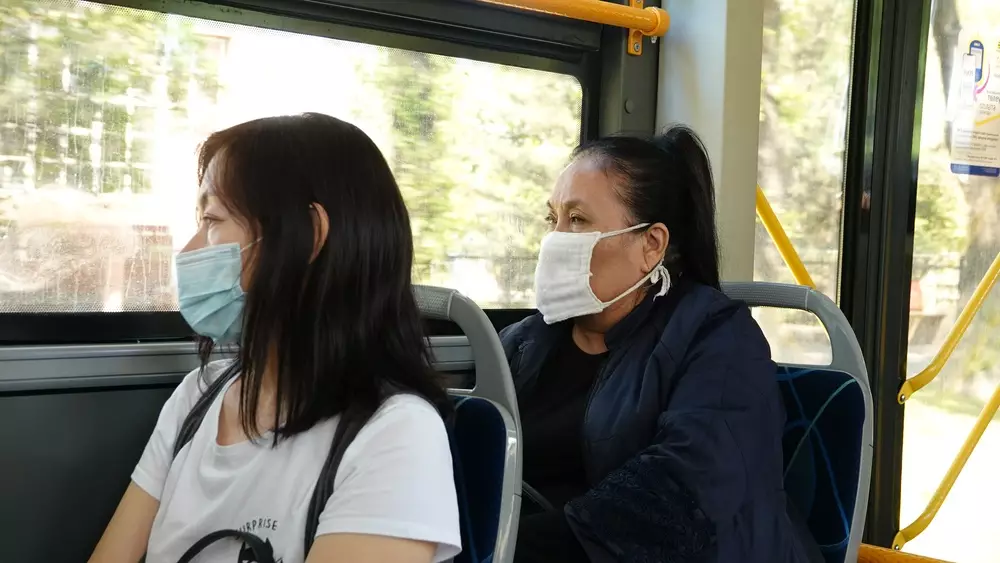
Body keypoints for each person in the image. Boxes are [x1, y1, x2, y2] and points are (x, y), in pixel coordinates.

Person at [89, 113, 461, 563]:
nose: (188, 252)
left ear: (310, 236)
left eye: (213, 219)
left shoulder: (396, 436)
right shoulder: (198, 397)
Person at [503, 127, 823, 563]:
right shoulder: (528, 342)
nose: (555, 239)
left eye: (577, 220)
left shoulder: (719, 339)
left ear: (651, 246)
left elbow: (682, 493)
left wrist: (508, 548)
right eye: (552, 220)